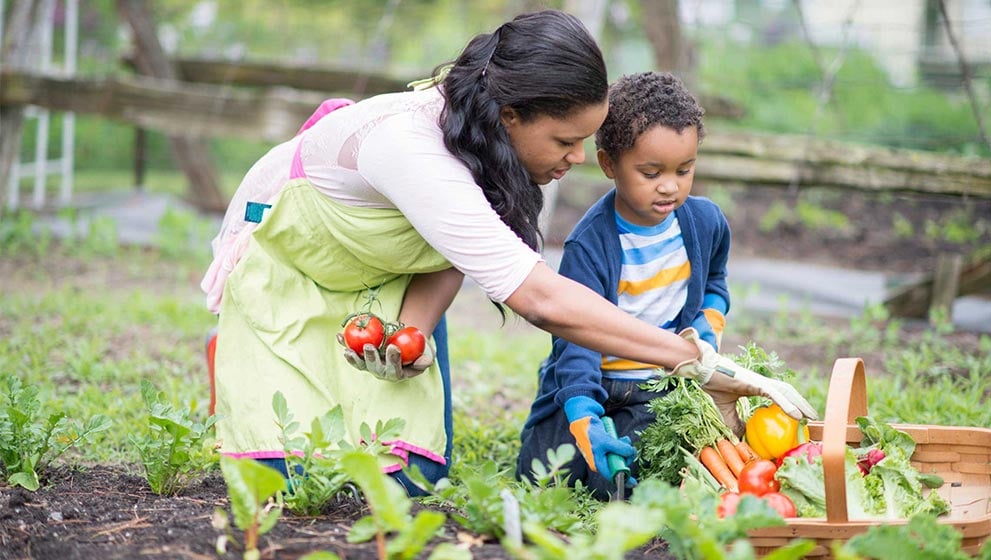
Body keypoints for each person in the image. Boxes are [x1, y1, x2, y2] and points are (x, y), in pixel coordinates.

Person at [200, 11, 814, 498]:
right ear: (511, 114)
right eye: (566, 140)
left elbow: (449, 250)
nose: (579, 159)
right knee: (296, 487)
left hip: (376, 271)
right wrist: (704, 364)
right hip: (294, 261)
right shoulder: (411, 149)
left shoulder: (483, 142)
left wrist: (410, 334)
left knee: (409, 481)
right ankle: (239, 360)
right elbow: (543, 299)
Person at [515, 72, 818, 500]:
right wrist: (583, 411)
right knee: (542, 477)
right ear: (609, 164)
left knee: (622, 480)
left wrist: (706, 334)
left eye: (684, 169)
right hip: (593, 376)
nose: (670, 185)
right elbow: (574, 338)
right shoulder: (591, 242)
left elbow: (715, 282)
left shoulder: (706, 222)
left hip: (656, 387)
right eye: (651, 172)